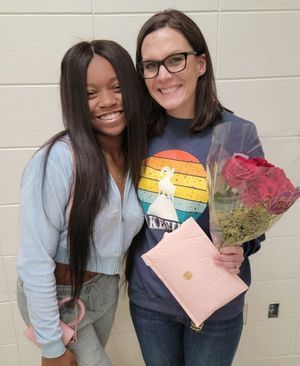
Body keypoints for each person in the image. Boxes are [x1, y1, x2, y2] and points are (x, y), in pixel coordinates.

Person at [125, 9, 265, 366]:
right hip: (151, 303)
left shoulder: (237, 134)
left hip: (214, 302)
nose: (163, 75)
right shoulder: (135, 133)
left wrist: (242, 247)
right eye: (151, 65)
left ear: (200, 63)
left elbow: (252, 225)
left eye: (175, 60)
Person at [16, 40, 146, 366]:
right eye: (90, 94)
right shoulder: (57, 159)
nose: (107, 101)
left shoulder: (138, 156)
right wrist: (51, 347)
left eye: (117, 87)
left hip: (105, 292)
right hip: (61, 295)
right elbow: (34, 260)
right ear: (75, 100)